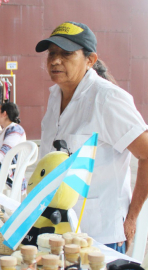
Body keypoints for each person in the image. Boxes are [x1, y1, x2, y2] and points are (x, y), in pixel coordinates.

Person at [36, 21, 148, 253]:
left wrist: (132, 218)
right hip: (58, 230)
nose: (55, 60)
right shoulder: (55, 96)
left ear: (90, 60)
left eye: (66, 54)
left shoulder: (107, 99)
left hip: (99, 235)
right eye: (52, 53)